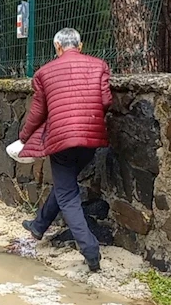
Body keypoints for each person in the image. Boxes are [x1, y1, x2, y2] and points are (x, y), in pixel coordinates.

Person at [18, 28, 112, 272]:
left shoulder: (44, 73)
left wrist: (23, 137)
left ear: (57, 47)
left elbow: (38, 112)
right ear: (80, 46)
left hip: (61, 140)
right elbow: (106, 101)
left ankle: (90, 250)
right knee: (65, 184)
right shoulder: (99, 65)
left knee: (67, 194)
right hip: (91, 138)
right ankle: (39, 226)